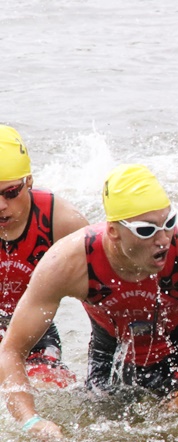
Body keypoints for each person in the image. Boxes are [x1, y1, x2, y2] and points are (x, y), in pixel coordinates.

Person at [0, 163, 178, 438]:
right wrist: (30, 421)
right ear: (113, 232)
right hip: (111, 364)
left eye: (169, 222)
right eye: (146, 230)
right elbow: (11, 349)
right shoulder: (69, 262)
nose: (163, 238)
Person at [0, 125, 88, 389]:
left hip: (32, 334)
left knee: (50, 388)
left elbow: (104, 294)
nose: (1, 206)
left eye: (11, 192)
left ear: (29, 181)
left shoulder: (61, 221)